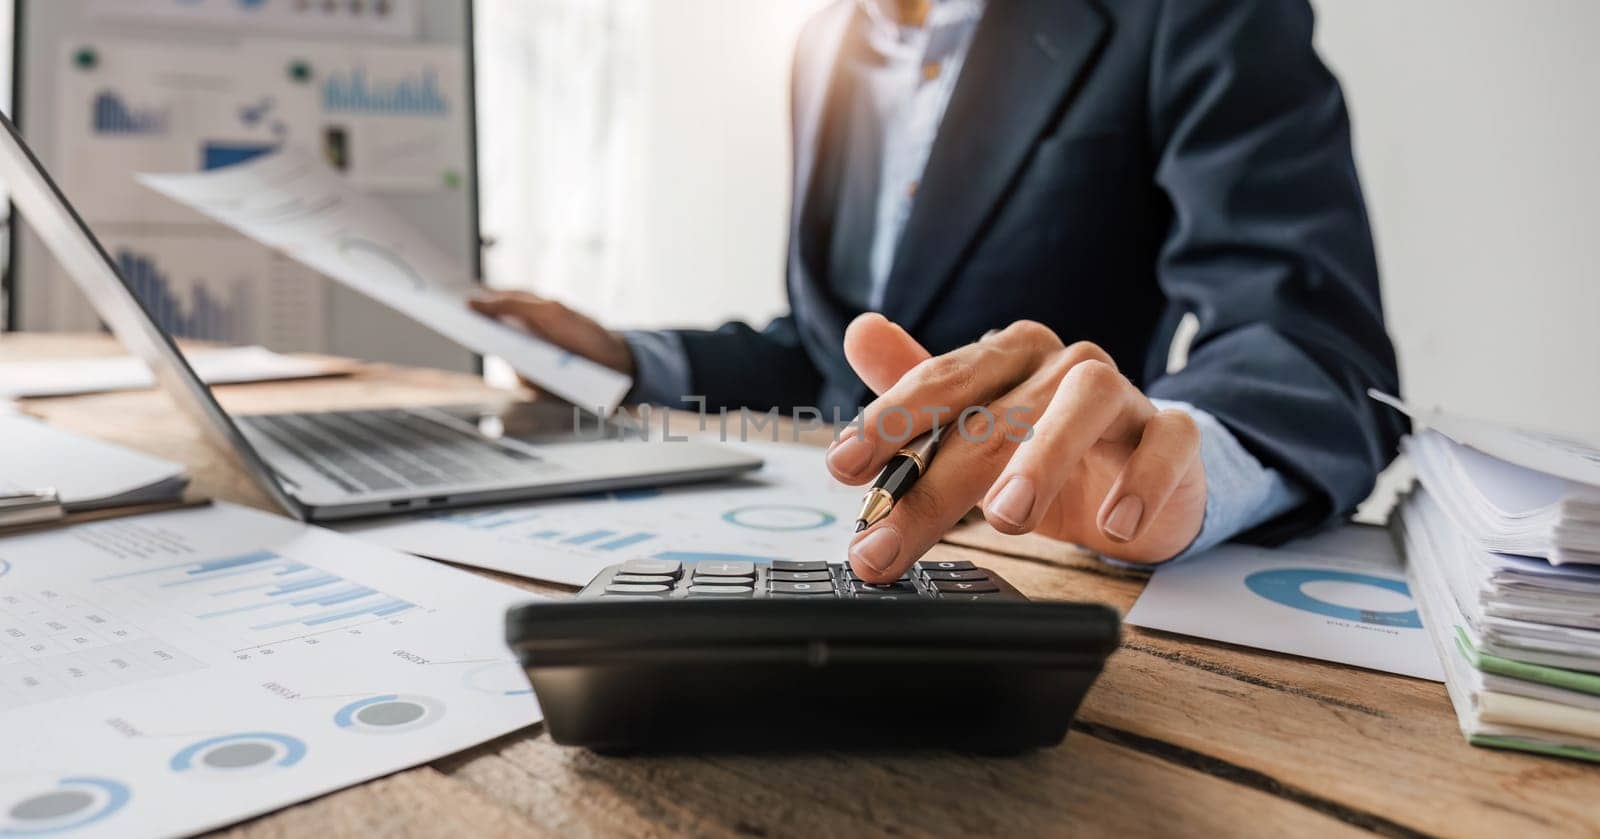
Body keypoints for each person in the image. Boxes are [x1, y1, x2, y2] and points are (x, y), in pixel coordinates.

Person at [471, 0, 1406, 583]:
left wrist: (1182, 464)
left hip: (1047, 555)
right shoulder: (822, 42)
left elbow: (1315, 346)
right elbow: (829, 343)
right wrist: (627, 360)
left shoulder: (1187, 13)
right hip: (811, 531)